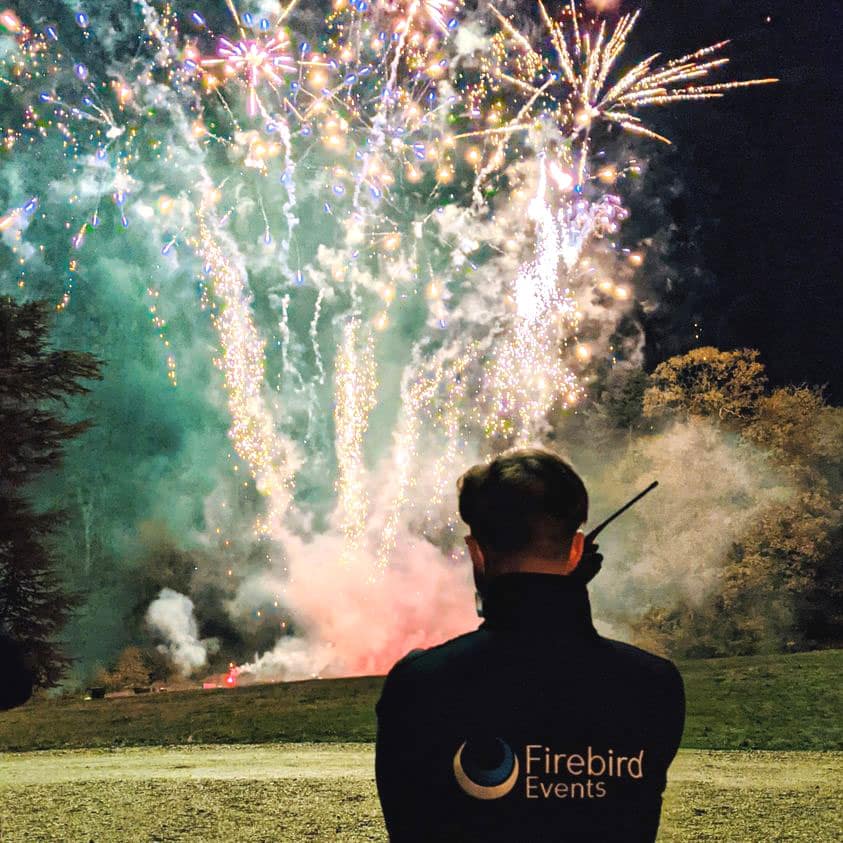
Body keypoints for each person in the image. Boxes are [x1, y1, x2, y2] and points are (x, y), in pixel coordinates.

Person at [376, 448, 684, 842]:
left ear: (476, 553)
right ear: (576, 550)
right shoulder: (654, 686)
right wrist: (565, 591)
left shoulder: (419, 686)